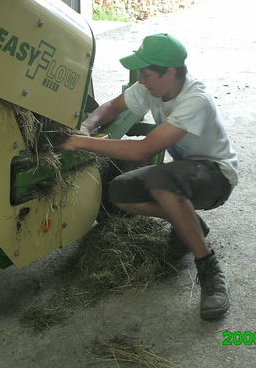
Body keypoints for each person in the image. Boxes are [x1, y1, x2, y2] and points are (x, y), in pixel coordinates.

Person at [59, 33, 238, 320]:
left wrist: (79, 143)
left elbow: (145, 150)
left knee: (160, 181)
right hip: (182, 172)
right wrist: (87, 125)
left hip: (215, 176)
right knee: (119, 193)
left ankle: (209, 269)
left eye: (146, 73)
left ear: (170, 72)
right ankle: (190, 223)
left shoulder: (195, 100)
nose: (141, 79)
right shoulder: (153, 89)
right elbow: (113, 107)